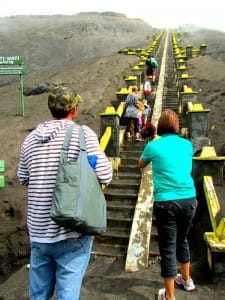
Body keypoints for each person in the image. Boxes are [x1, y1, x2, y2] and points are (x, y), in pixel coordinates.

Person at [17, 85, 113, 300]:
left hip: (39, 232)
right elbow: (106, 174)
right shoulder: (83, 134)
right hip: (71, 229)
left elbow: (23, 178)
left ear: (50, 109)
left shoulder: (30, 140)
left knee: (38, 295)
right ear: (74, 110)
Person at [138, 109, 197, 300]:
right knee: (183, 239)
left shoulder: (154, 146)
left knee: (168, 246)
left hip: (166, 202)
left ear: (160, 126)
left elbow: (141, 164)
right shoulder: (187, 145)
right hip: (189, 199)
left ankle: (169, 296)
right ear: (177, 125)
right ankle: (187, 280)